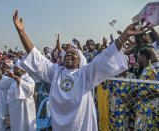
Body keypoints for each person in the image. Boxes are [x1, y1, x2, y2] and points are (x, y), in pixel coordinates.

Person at [12, 10, 147, 131]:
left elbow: (105, 57)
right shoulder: (55, 72)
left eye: (73, 54)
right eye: (67, 54)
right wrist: (22, 33)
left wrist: (123, 37)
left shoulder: (86, 73)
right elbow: (35, 56)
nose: (69, 54)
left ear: (80, 61)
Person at [6, 60, 36, 131]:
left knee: (26, 125)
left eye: (16, 68)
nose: (14, 70)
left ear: (22, 69)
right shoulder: (13, 80)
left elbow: (30, 89)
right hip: (16, 109)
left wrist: (17, 79)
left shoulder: (28, 79)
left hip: (25, 108)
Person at [0, 60, 14, 131]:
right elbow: (1, 78)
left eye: (5, 64)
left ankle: (6, 127)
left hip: (6, 96)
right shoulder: (6, 73)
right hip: (2, 95)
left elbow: (1, 78)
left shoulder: (11, 74)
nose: (4, 65)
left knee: (5, 113)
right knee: (1, 112)